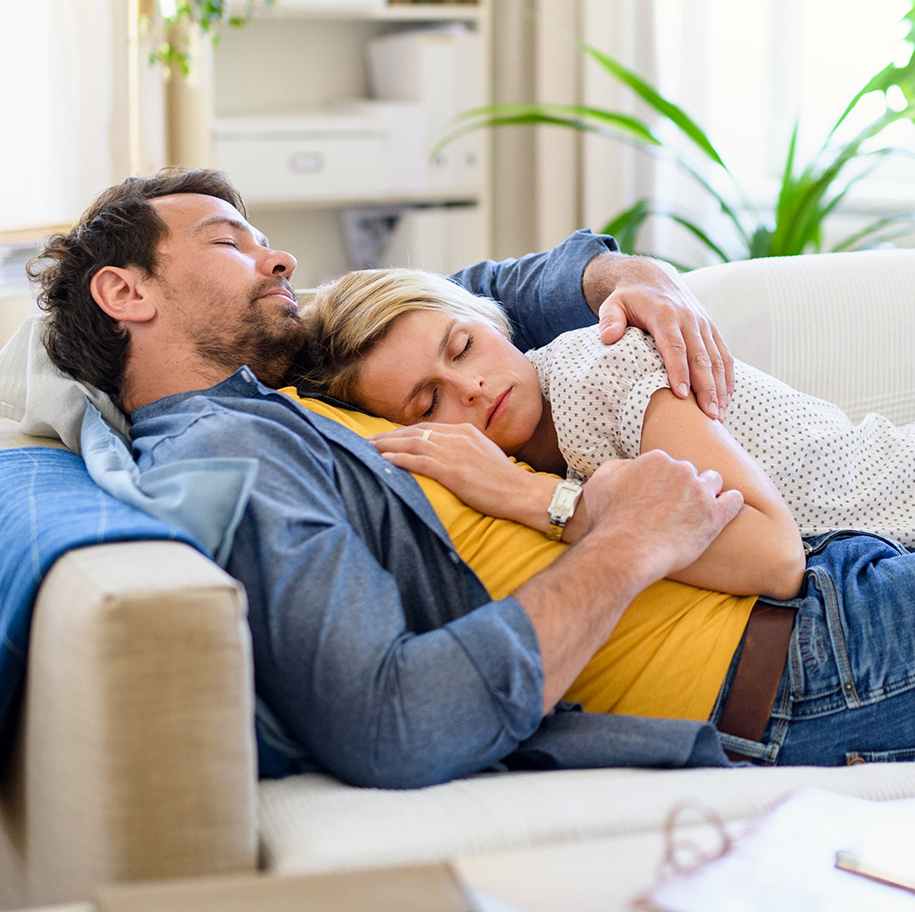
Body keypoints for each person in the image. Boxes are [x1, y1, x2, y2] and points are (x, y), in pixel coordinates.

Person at [29, 168, 915, 787]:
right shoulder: (229, 454)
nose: (281, 260)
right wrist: (625, 542)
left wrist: (623, 274)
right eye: (229, 243)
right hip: (811, 660)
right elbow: (393, 722)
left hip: (835, 586)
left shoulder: (290, 380)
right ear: (126, 294)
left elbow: (458, 298)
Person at [290, 266, 915, 568]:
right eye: (431, 402)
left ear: (490, 319)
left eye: (463, 347)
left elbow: (772, 555)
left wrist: (532, 496)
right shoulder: (515, 447)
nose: (473, 388)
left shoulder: (601, 371)